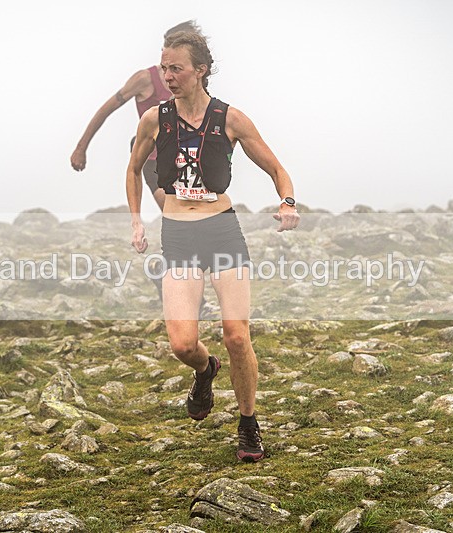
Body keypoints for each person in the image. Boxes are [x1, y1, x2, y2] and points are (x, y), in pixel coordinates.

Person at [126, 31, 300, 462]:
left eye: (176, 68)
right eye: (164, 68)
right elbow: (132, 171)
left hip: (222, 232)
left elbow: (277, 168)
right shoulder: (154, 120)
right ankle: (206, 371)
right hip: (179, 236)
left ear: (200, 70)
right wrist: (135, 220)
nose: (167, 76)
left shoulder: (230, 119)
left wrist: (288, 202)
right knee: (183, 345)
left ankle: (248, 424)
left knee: (236, 336)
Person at [71, 21, 202, 211]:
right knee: (178, 215)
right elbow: (106, 110)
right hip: (154, 157)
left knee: (199, 217)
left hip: (185, 158)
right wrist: (81, 148)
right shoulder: (145, 79)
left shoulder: (193, 81)